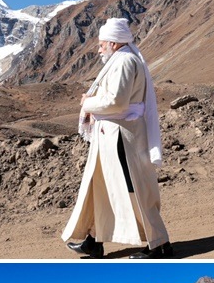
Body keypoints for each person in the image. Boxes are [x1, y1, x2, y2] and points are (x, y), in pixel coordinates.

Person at [63, 17, 173, 260]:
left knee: (133, 189)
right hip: (111, 137)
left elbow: (117, 101)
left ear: (113, 43)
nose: (98, 48)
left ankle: (159, 243)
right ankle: (94, 240)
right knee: (100, 187)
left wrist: (88, 102)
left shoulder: (124, 62)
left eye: (102, 43)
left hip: (122, 138)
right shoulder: (120, 61)